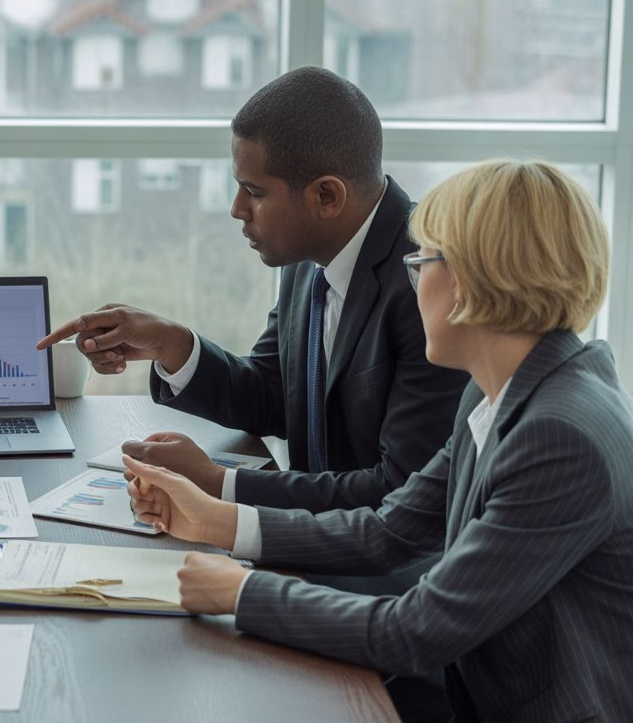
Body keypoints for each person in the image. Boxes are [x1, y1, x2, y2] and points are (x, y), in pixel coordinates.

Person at [125, 160, 633, 722]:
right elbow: (390, 529)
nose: (413, 280)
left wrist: (238, 594)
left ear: (470, 282)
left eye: (422, 263)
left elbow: (414, 631)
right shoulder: (501, 392)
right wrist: (213, 521)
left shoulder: (561, 438)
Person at [39, 67, 468, 514]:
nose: (236, 209)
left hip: (382, 568)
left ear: (327, 196)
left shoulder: (429, 282)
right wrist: (172, 343)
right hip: (311, 540)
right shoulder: (311, 262)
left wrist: (216, 483)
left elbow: (401, 495)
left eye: (254, 192)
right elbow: (271, 396)